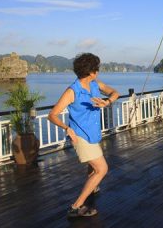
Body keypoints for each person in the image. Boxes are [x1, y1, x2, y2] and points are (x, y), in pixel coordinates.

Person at [48, 53, 119, 218]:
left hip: (93, 134)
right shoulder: (72, 91)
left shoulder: (95, 84)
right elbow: (52, 115)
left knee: (93, 168)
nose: (98, 72)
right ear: (91, 72)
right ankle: (76, 206)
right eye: (97, 69)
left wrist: (107, 102)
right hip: (79, 135)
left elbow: (114, 92)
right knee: (102, 169)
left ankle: (92, 187)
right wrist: (67, 127)